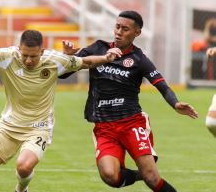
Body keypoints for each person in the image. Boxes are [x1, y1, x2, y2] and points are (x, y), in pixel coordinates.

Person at [0, 16, 121, 192]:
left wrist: (106, 58)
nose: (29, 60)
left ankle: (21, 189)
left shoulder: (54, 60)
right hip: (9, 126)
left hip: (38, 127)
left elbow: (85, 62)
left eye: (33, 56)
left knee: (23, 167)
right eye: (24, 55)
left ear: (42, 51)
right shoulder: (8, 57)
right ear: (18, 49)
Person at [60, 10, 198, 192]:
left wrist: (175, 103)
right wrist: (69, 57)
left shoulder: (139, 59)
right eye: (117, 27)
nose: (118, 32)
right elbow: (63, 74)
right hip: (105, 127)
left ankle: (146, 173)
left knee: (153, 179)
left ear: (137, 33)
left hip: (132, 123)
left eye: (125, 29)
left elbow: (162, 85)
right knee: (110, 176)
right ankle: (140, 173)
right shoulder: (98, 48)